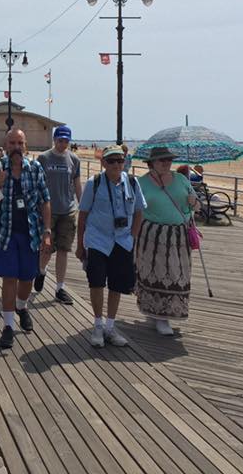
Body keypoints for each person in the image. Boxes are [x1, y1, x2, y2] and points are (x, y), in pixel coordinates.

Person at [0, 129, 52, 349]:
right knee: (9, 279)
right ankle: (8, 326)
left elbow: (45, 201)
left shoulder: (35, 168)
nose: (16, 147)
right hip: (5, 234)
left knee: (27, 279)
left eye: (19, 143)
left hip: (31, 234)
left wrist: (47, 232)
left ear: (25, 145)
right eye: (12, 143)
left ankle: (22, 307)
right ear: (5, 145)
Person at [76, 145, 145, 347]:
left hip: (122, 241)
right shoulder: (94, 183)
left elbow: (140, 211)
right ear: (103, 163)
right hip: (98, 240)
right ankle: (97, 325)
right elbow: (82, 215)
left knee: (117, 285)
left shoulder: (132, 182)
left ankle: (110, 326)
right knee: (96, 282)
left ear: (124, 162)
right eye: (111, 160)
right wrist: (80, 245)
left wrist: (132, 236)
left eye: (119, 160)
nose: (116, 164)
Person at [136, 147, 197, 336]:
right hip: (152, 236)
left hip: (179, 236)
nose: (166, 163)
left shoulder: (181, 180)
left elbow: (196, 205)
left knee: (178, 274)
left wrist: (194, 202)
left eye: (169, 160)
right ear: (151, 162)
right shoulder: (141, 183)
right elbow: (133, 209)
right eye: (161, 160)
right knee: (156, 274)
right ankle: (160, 317)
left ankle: (167, 313)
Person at [35, 125, 82, 305]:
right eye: (60, 140)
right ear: (54, 140)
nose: (63, 144)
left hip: (68, 211)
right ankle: (41, 270)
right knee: (46, 248)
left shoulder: (74, 160)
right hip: (48, 211)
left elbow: (77, 184)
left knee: (64, 250)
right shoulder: (44, 158)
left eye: (66, 141)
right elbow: (37, 183)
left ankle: (59, 288)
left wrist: (83, 205)